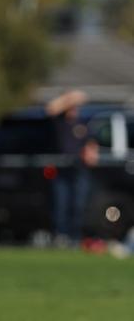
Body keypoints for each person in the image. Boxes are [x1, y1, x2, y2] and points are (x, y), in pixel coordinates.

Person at [45, 90, 98, 247]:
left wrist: (91, 153)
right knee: (61, 204)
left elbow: (90, 144)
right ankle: (60, 236)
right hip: (62, 170)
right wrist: (70, 98)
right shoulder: (60, 122)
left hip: (79, 170)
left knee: (78, 204)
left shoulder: (82, 124)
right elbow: (50, 109)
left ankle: (75, 237)